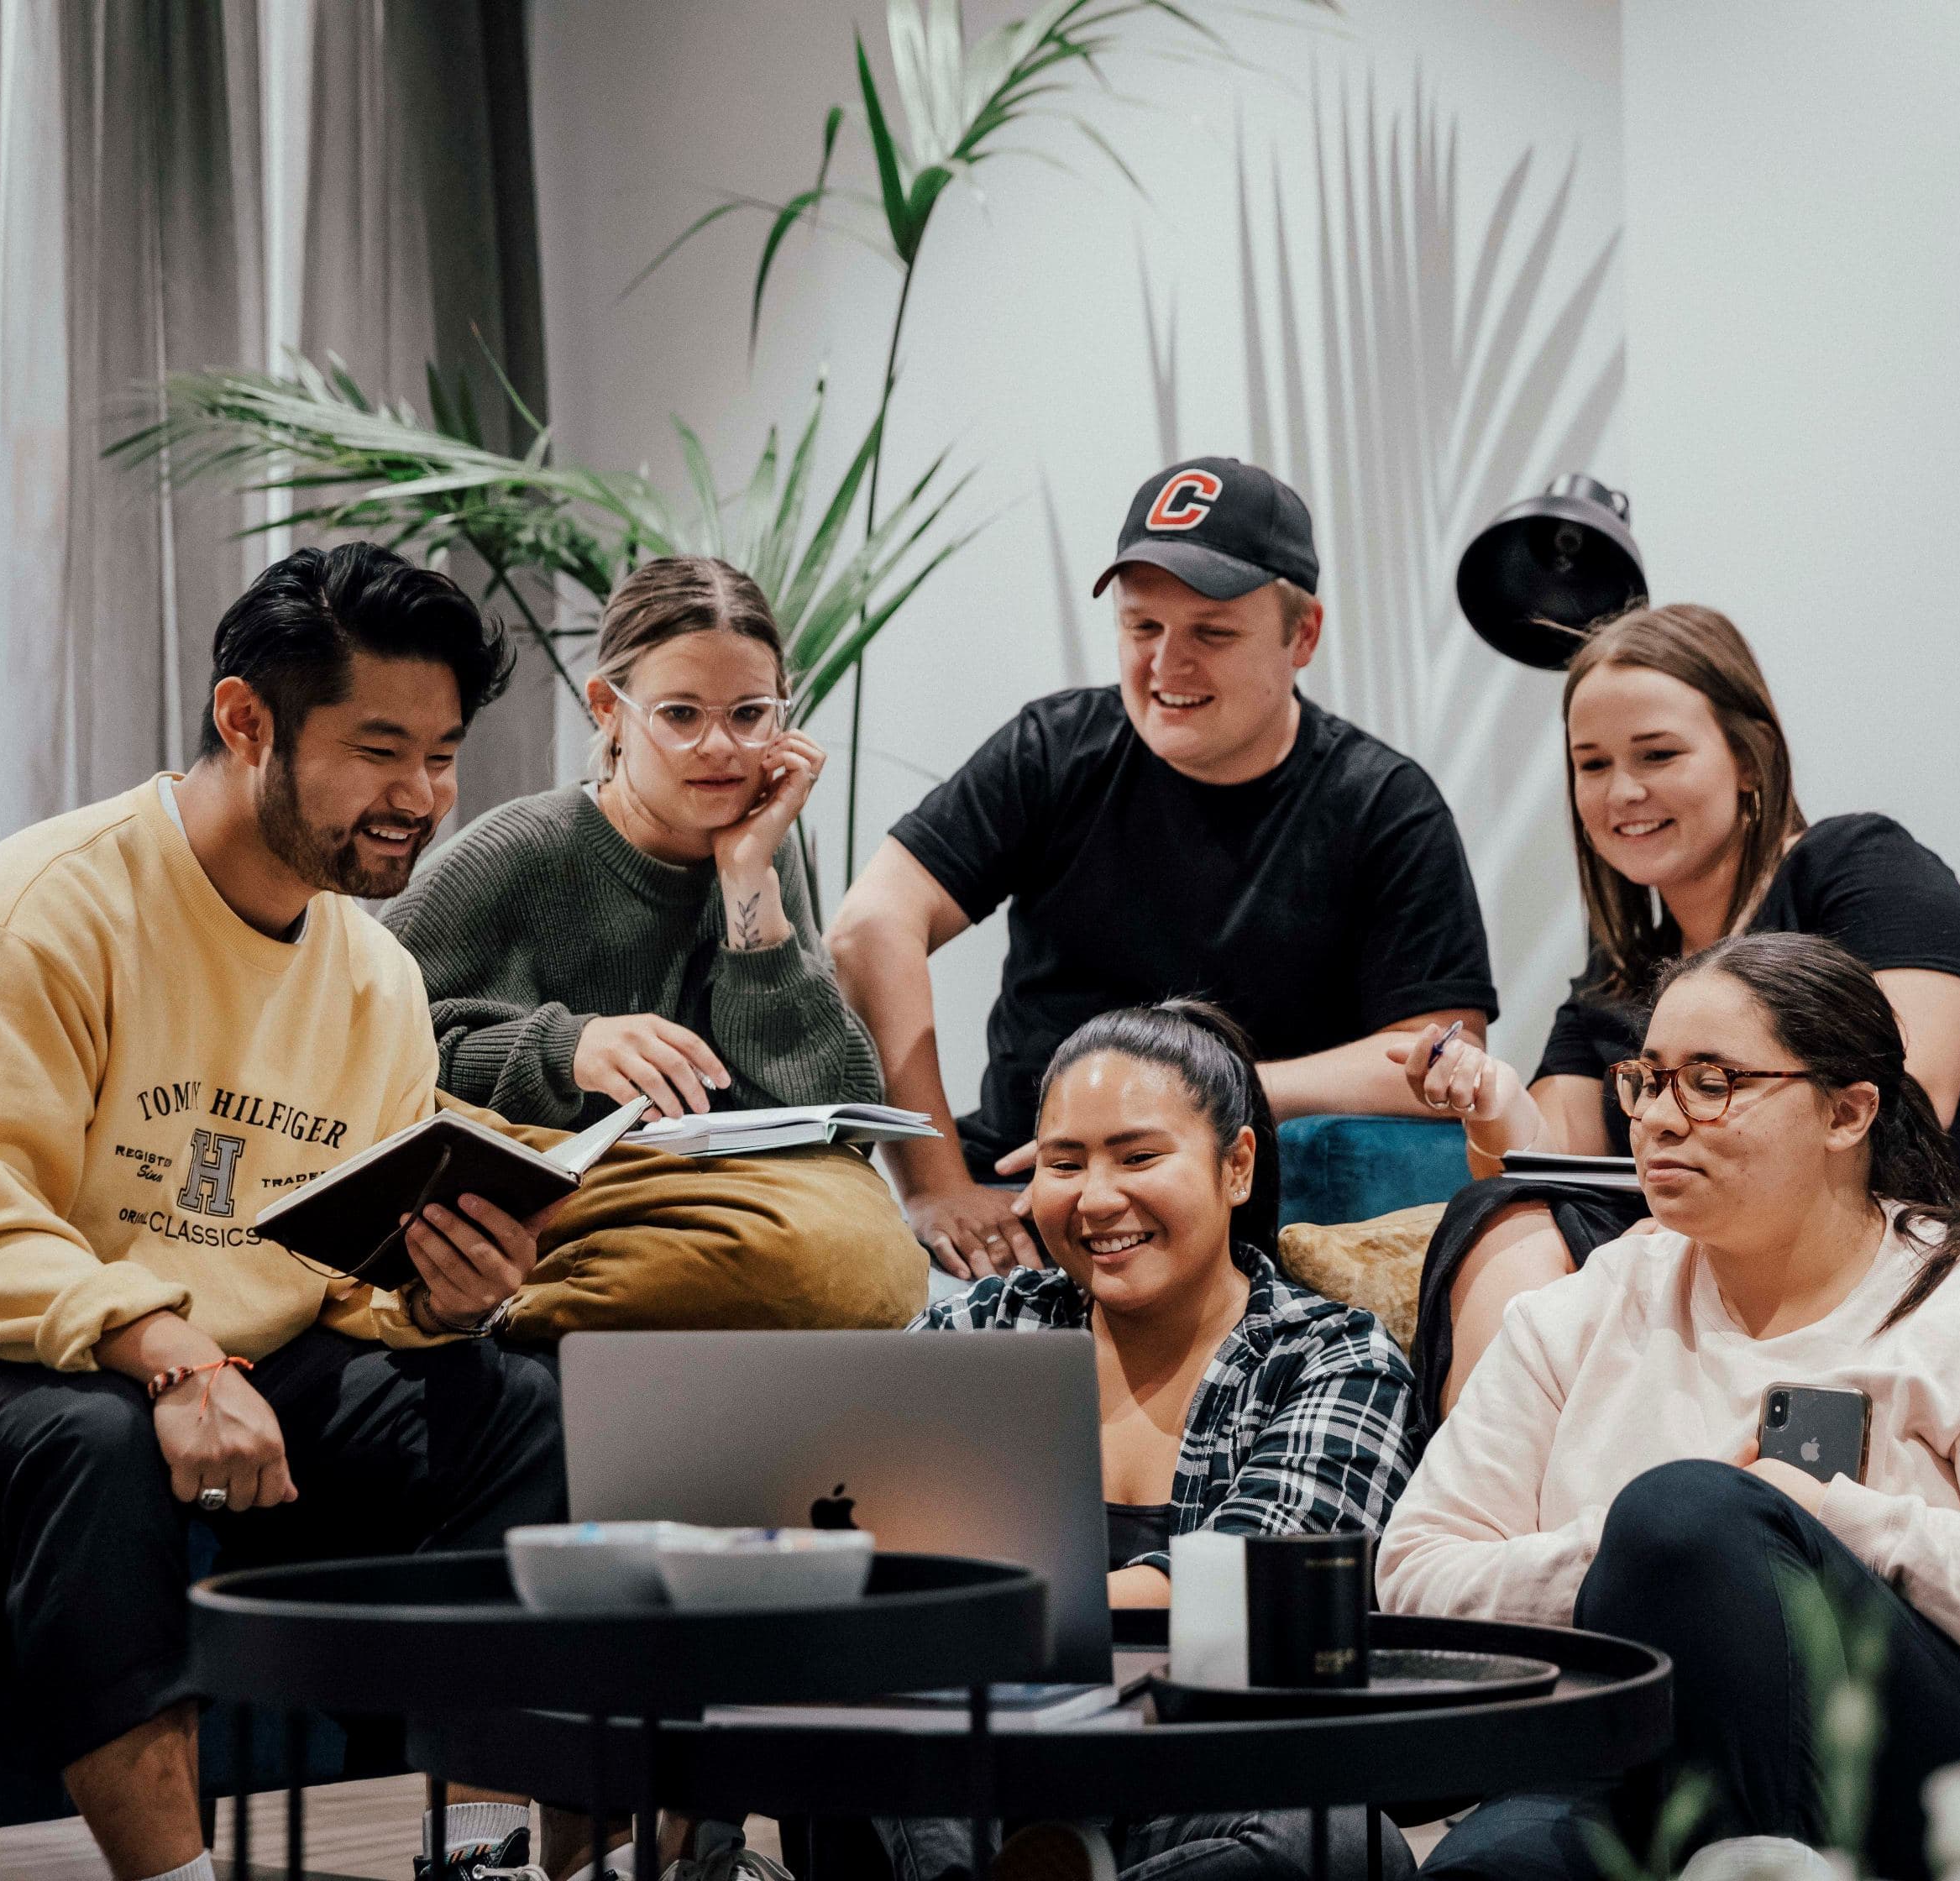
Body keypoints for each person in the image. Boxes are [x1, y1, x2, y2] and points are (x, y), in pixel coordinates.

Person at [0, 545, 599, 1881]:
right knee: (96, 1437)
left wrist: (435, 1292)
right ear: (246, 718)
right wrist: (174, 1354)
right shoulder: (33, 914)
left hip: (210, 1346)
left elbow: (330, 1261)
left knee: (504, 1405)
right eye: (380, 749)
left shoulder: (371, 974)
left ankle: (481, 1854)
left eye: (441, 756)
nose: (420, 798)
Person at [1379, 933, 1960, 1881]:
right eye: (1648, 1079)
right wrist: (1637, 1565)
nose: (1659, 1118)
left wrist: (1831, 1523)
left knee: (1689, 1515)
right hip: (1639, 1762)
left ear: (1848, 1112)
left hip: (1949, 1793)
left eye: (1713, 1080)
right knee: (1487, 1869)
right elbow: (1416, 1578)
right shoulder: (1582, 1310)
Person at [1397, 602, 1960, 1419]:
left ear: (1749, 757)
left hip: (1929, 1251)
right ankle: (1499, 1524)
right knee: (1504, 1216)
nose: (1622, 791)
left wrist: (1654, 1237)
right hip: (1721, 1278)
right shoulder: (1625, 970)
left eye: (1658, 754)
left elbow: (1901, 1113)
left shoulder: (1859, 869)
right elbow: (1551, 1166)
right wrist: (1492, 1103)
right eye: (1590, 764)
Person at [830, 456, 1498, 1281]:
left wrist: (1200, 1093)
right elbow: (870, 926)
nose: (1165, 666)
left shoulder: (1383, 803)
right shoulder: (1053, 750)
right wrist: (935, 1188)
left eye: (1211, 633)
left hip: (1246, 1221)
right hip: (1027, 1197)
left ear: (1303, 634)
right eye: (1142, 628)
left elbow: (1442, 1055)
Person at [892, 999, 1419, 1881]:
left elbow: (1249, 1579)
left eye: (1138, 1156)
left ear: (1237, 1165)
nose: (1097, 1197)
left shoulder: (1329, 1354)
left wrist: (984, 1613)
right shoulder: (988, 1327)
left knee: (1324, 1834)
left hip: (1201, 1775)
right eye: (1065, 1162)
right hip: (990, 1769)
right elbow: (874, 1543)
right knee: (883, 1733)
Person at [385, 556, 923, 1340]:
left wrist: (749, 880)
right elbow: (361, 1048)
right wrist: (567, 1048)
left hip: (710, 1194)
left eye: (749, 715)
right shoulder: (523, 848)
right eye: (679, 715)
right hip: (558, 1195)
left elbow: (832, 1115)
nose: (720, 748)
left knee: (872, 1256)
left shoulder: (761, 846)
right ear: (608, 709)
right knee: (824, 1261)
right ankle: (507, 1310)